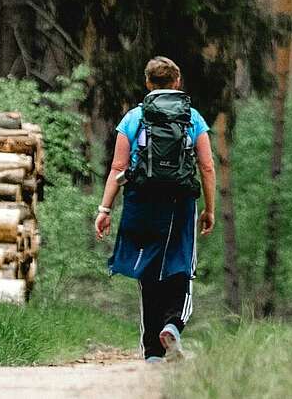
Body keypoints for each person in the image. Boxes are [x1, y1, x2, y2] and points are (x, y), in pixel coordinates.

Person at [94, 56, 218, 364]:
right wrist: (209, 209)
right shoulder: (193, 118)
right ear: (177, 82)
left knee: (148, 270)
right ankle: (173, 324)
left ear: (148, 84)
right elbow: (207, 166)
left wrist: (105, 208)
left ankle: (152, 351)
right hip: (180, 202)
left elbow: (118, 167)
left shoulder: (134, 118)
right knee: (180, 267)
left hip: (140, 200)